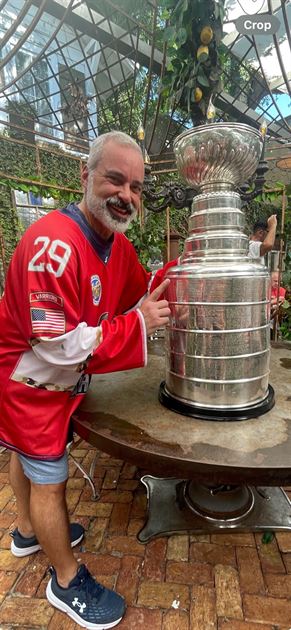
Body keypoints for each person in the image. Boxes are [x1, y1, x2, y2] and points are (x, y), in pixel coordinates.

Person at [0, 131, 171, 629]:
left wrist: (188, 274)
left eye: (136, 186)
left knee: (21, 456)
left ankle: (27, 530)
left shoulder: (114, 246)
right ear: (86, 176)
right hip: (30, 383)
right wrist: (138, 324)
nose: (127, 195)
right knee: (49, 479)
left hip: (51, 382)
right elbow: (56, 343)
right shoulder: (51, 244)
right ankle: (67, 580)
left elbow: (143, 290)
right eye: (115, 179)